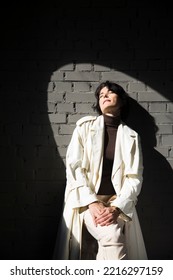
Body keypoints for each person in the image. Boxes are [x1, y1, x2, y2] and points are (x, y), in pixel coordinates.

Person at [53, 80, 148, 260]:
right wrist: (92, 202)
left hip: (117, 202)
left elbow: (134, 177)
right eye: (101, 94)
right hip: (86, 199)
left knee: (105, 250)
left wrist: (116, 208)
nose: (104, 95)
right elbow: (74, 167)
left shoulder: (131, 136)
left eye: (110, 92)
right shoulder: (84, 128)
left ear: (122, 101)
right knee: (112, 238)